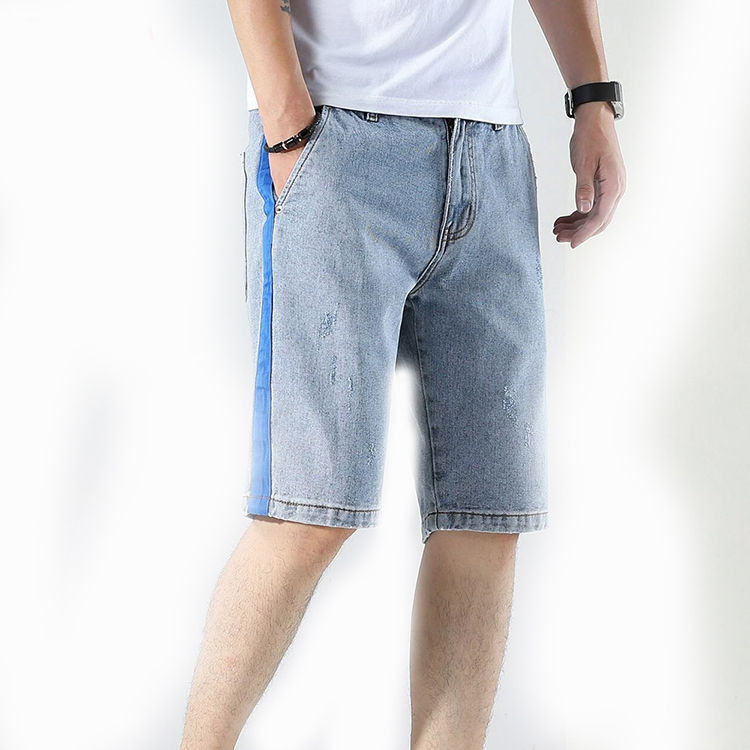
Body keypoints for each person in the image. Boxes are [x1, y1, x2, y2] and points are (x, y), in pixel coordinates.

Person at [179, 0, 626, 748]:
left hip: (489, 148)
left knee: (486, 518)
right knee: (309, 511)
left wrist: (593, 98)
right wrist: (289, 128)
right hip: (335, 132)